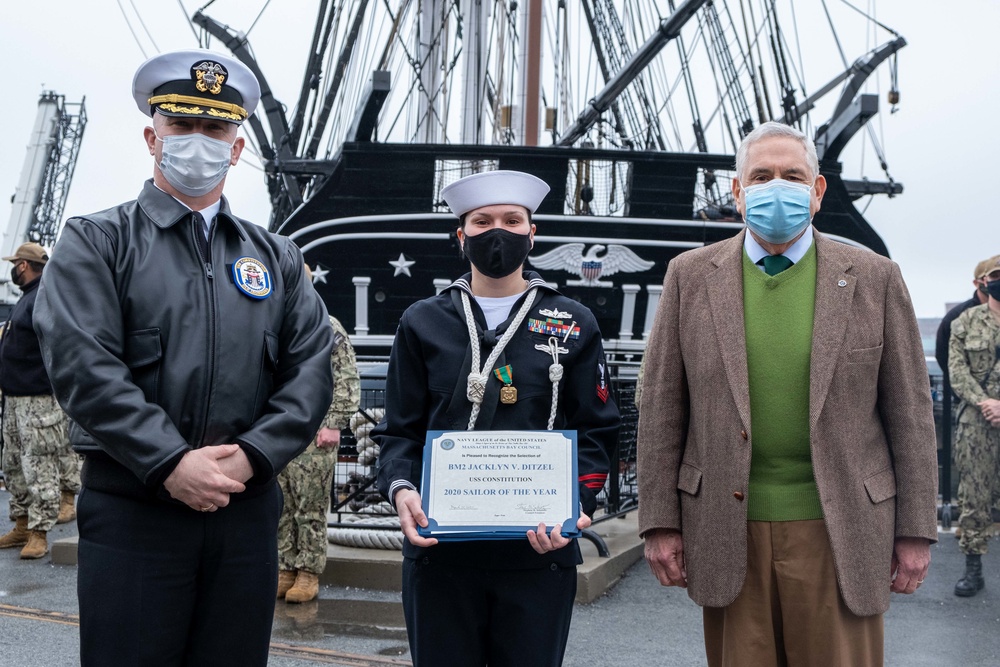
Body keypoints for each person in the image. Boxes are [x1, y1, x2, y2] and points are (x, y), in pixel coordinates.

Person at [32, 50, 334, 666]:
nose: (199, 141)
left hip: (244, 515)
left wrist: (252, 456)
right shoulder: (97, 240)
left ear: (237, 147)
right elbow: (83, 365)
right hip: (135, 510)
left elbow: (309, 372)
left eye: (216, 129)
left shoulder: (276, 256)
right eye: (184, 126)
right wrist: (169, 461)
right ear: (153, 136)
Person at [637, 121, 938, 666]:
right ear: (737, 191)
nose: (778, 186)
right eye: (762, 175)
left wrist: (917, 532)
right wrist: (659, 522)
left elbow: (910, 414)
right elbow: (661, 408)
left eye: (793, 175)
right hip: (728, 527)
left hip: (840, 524)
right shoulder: (689, 277)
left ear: (818, 191)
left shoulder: (875, 278)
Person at [372, 170, 620, 667]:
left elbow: (598, 427)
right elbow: (398, 431)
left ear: (533, 233)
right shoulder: (422, 321)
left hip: (538, 552)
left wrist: (578, 499)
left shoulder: (572, 322)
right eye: (482, 222)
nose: (497, 233)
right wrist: (402, 489)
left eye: (512, 220)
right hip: (440, 550)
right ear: (461, 236)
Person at [0, 242, 78, 559]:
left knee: (39, 466)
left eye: (15, 263)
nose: (12, 269)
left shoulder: (45, 298)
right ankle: (21, 526)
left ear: (24, 265)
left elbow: (62, 348)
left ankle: (39, 532)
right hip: (16, 399)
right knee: (14, 465)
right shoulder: (27, 298)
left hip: (38, 400)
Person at [277, 310, 360, 603]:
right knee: (283, 505)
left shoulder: (326, 325)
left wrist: (334, 423)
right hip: (280, 428)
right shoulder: (277, 319)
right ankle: (285, 567)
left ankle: (308, 573)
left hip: (315, 431)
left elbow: (346, 375)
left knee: (309, 505)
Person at [948, 257, 1000, 597]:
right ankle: (973, 569)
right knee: (974, 496)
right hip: (977, 423)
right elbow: (956, 370)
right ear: (983, 282)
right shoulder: (965, 321)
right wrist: (987, 402)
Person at [935, 255, 998, 387]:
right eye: (995, 276)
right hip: (974, 399)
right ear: (980, 282)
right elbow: (945, 358)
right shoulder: (960, 317)